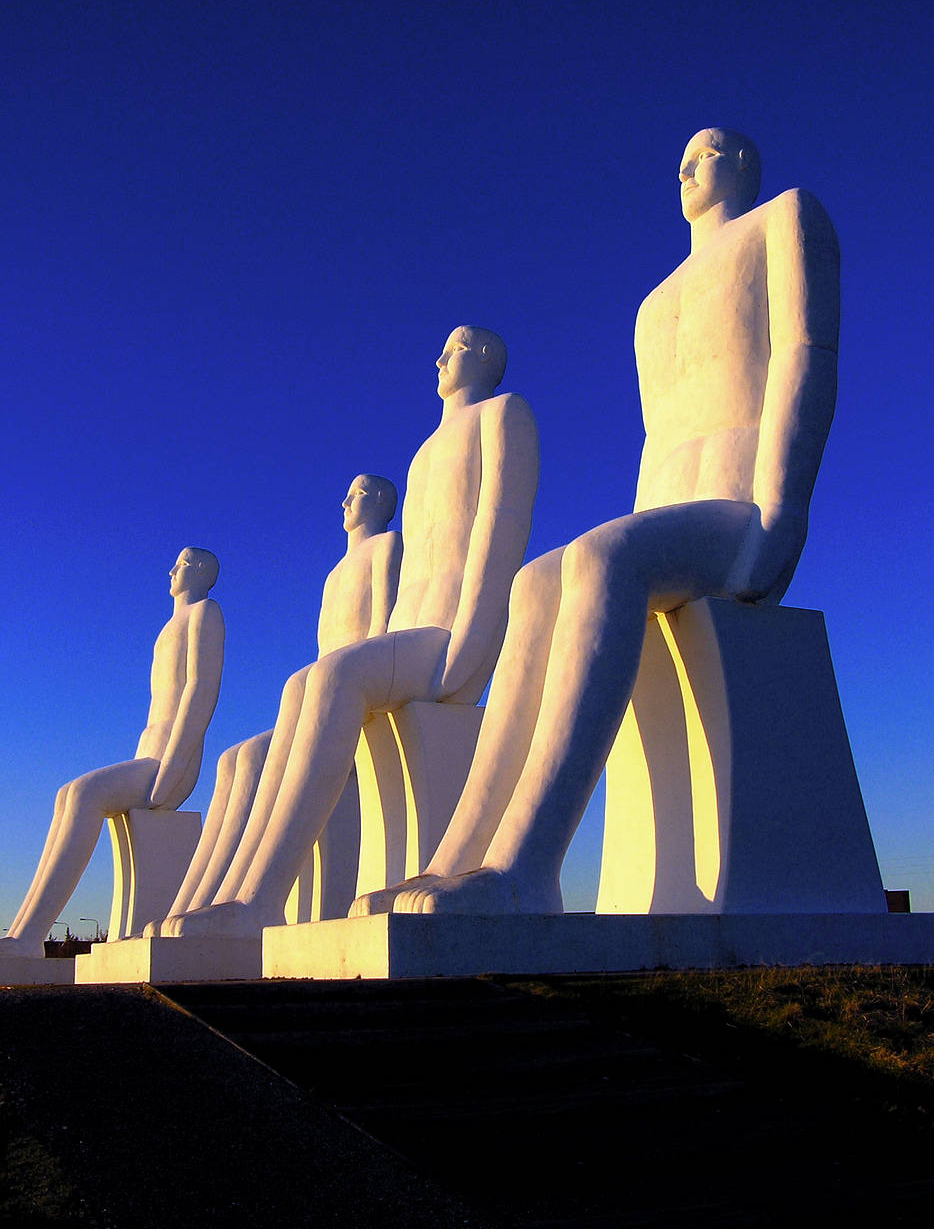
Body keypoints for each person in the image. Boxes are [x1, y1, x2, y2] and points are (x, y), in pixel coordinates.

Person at [352, 127, 841, 916]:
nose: (684, 168)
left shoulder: (785, 218)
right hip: (671, 512)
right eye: (679, 159)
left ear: (744, 165)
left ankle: (528, 863)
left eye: (705, 153)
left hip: (739, 507)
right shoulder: (652, 307)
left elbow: (804, 357)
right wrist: (633, 545)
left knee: (601, 556)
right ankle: (458, 856)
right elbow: (658, 439)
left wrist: (784, 510)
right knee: (543, 580)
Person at [165, 326, 539, 938]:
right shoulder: (422, 458)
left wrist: (474, 640)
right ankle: (241, 895)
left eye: (455, 348)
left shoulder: (503, 415)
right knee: (299, 687)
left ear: (486, 357)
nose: (439, 358)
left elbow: (501, 527)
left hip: (449, 636)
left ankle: (261, 900)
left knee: (334, 674)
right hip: (410, 632)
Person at [151, 476, 400, 930]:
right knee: (239, 759)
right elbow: (326, 648)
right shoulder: (332, 576)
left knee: (308, 690)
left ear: (382, 502)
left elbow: (382, 627)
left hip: (357, 694)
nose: (344, 501)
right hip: (329, 693)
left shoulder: (387, 548)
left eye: (357, 494)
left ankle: (260, 897)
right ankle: (213, 898)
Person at [0, 548, 224, 957]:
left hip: (170, 762)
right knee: (66, 794)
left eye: (184, 563)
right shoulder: (170, 627)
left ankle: (29, 935)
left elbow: (201, 690)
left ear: (204, 572)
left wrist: (175, 765)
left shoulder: (205, 613)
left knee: (85, 794)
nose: (173, 569)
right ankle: (23, 929)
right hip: (149, 753)